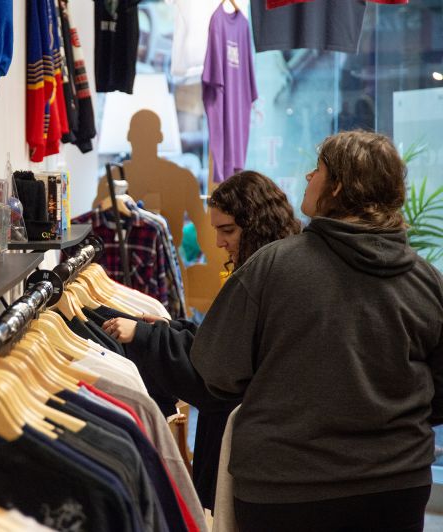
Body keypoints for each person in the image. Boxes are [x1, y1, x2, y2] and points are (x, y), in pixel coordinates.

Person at [191, 130, 443, 532]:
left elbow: (218, 370)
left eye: (318, 169)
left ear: (338, 187)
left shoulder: (271, 267)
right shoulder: (427, 280)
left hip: (286, 488)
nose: (308, 177)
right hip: (396, 486)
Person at [101, 170, 301, 512]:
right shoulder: (274, 272)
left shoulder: (266, 280)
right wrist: (169, 330)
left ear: (258, 224)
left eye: (228, 231)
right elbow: (225, 343)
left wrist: (148, 337)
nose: (220, 242)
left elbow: (219, 372)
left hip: (256, 456)